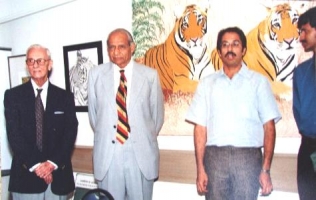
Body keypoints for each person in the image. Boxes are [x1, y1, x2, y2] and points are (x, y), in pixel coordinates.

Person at [185, 27, 281, 200]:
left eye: (235, 44)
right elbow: (200, 129)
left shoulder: (259, 82)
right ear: (219, 52)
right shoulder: (207, 84)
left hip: (248, 159)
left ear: (243, 50)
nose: (230, 49)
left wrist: (265, 170)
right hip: (214, 158)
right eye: (225, 45)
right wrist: (200, 168)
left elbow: (269, 128)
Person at [88, 28, 164, 200]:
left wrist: (139, 135)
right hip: (108, 155)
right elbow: (94, 117)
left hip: (140, 155)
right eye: (111, 47)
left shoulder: (150, 76)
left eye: (121, 47)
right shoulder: (96, 75)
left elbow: (157, 118)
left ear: (132, 47)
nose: (116, 52)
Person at [4, 44, 78, 200]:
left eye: (40, 61)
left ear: (49, 64)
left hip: (58, 178)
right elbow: (14, 136)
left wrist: (51, 164)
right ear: (27, 65)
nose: (35, 65)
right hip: (25, 178)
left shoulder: (64, 97)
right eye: (31, 61)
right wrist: (38, 166)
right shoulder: (13, 96)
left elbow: (70, 134)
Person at [293, 6, 316, 200]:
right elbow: (299, 112)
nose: (301, 37)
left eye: (305, 31)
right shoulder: (301, 72)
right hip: (309, 148)